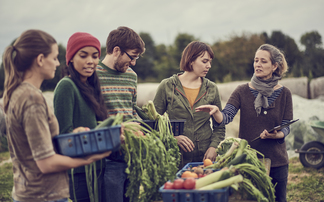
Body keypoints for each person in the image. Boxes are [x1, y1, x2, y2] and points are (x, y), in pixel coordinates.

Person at [2, 29, 111, 202]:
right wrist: (89, 158)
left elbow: (41, 146)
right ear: (39, 60)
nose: (57, 63)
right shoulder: (32, 99)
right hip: (43, 194)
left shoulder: (21, 93)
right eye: (54, 58)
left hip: (33, 192)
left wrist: (78, 135)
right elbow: (46, 163)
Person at [196, 44, 292, 202]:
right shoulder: (242, 91)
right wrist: (217, 113)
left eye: (263, 61)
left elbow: (287, 124)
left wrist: (277, 135)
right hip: (248, 161)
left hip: (277, 160)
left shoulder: (285, 93)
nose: (258, 64)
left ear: (275, 66)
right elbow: (226, 117)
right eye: (256, 60)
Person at [53, 32, 108, 202]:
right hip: (78, 173)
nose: (90, 61)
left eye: (95, 56)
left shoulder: (90, 86)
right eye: (83, 55)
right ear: (70, 59)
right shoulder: (66, 86)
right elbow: (64, 136)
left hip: (96, 167)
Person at [153, 41, 226, 169]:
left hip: (204, 159)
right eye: (204, 61)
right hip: (174, 157)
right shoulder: (167, 86)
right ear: (191, 60)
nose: (208, 66)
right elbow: (153, 122)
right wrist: (173, 138)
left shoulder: (212, 88)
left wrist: (214, 146)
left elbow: (219, 126)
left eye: (210, 62)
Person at [96, 26, 145, 202]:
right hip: (107, 158)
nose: (133, 63)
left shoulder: (131, 76)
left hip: (132, 156)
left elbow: (131, 111)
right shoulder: (94, 75)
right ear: (116, 50)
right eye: (132, 57)